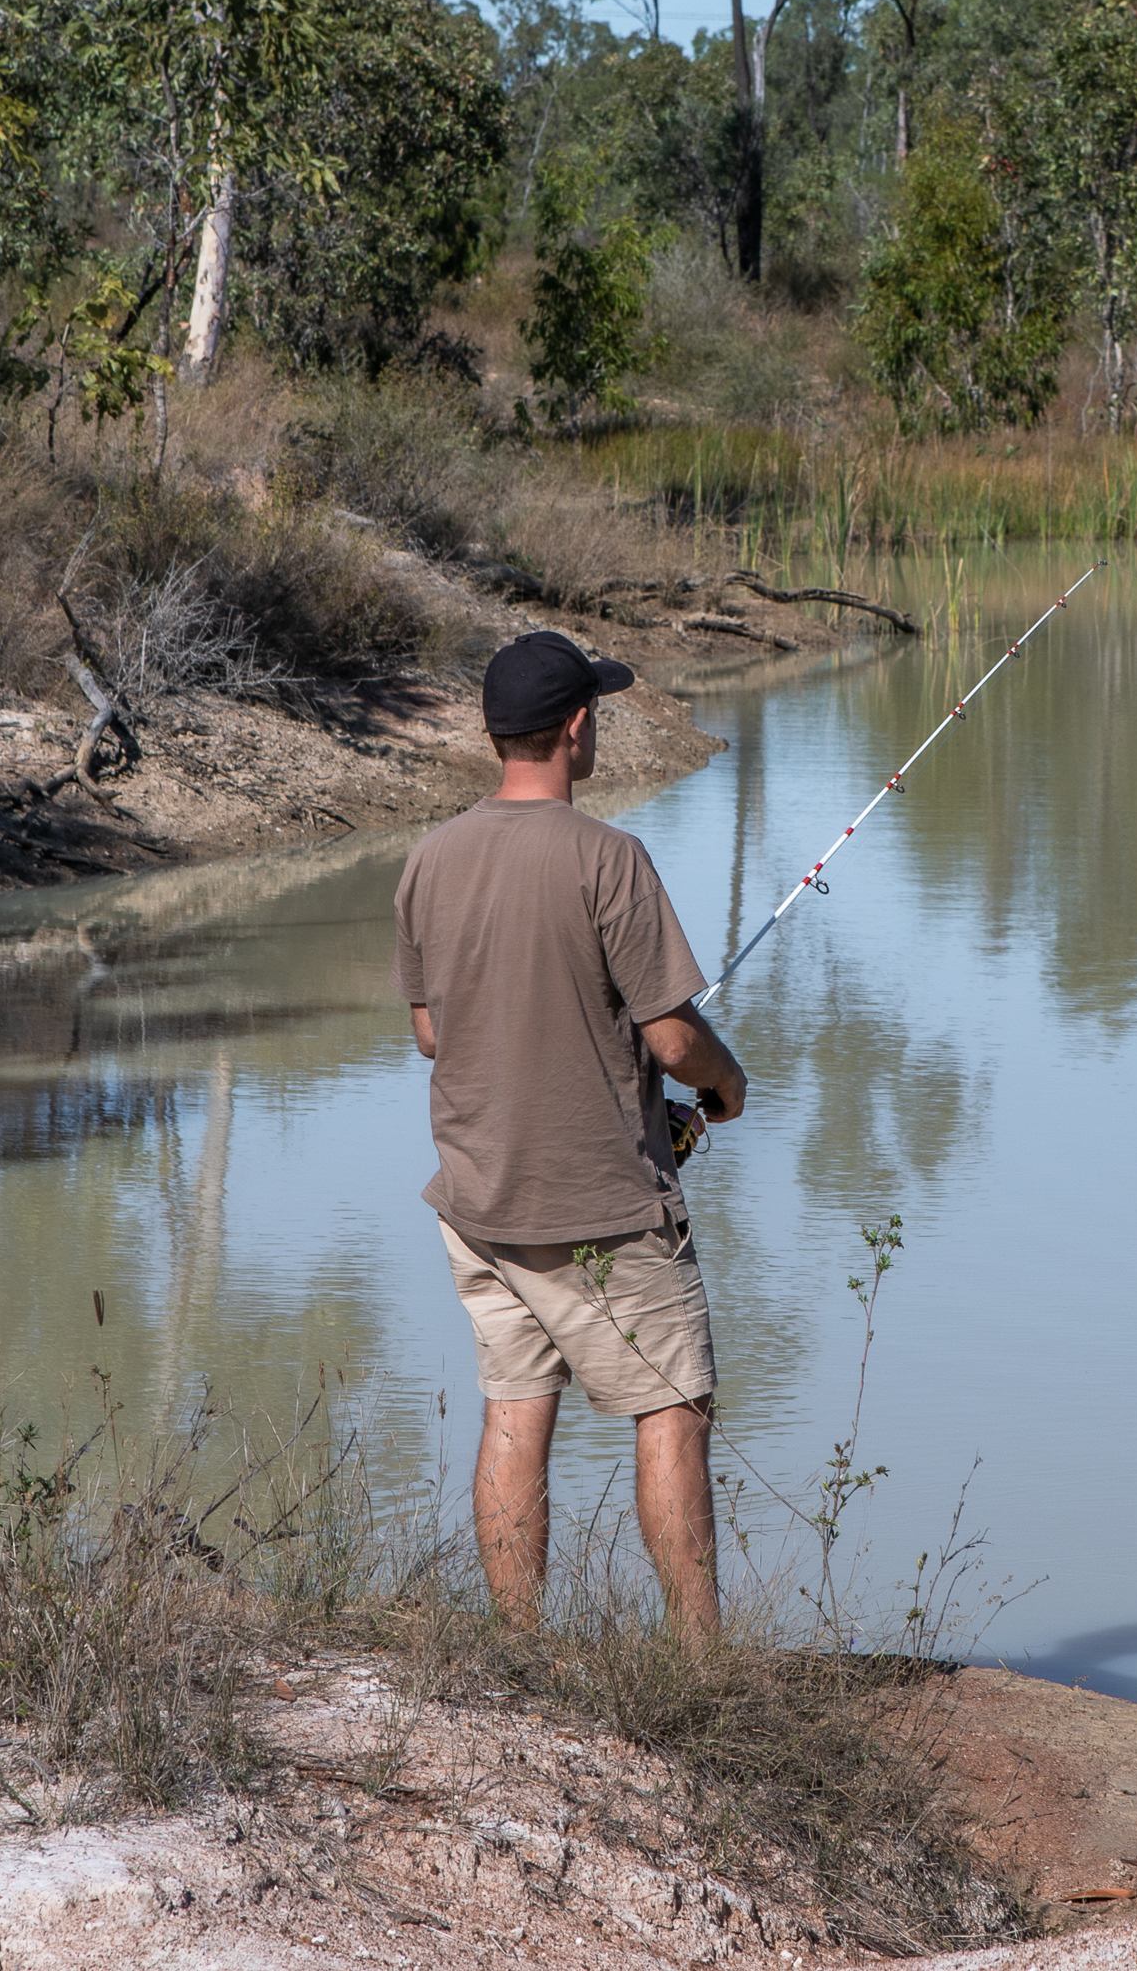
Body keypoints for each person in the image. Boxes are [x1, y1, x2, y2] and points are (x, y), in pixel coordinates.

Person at [393, 628, 747, 1639]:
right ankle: (698, 1663)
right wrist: (726, 1084)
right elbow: (674, 1039)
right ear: (578, 728)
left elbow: (430, 1033)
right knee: (673, 1406)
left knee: (514, 1407)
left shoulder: (427, 860)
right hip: (604, 1208)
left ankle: (521, 1649)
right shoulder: (610, 859)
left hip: (478, 1203)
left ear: (496, 732)